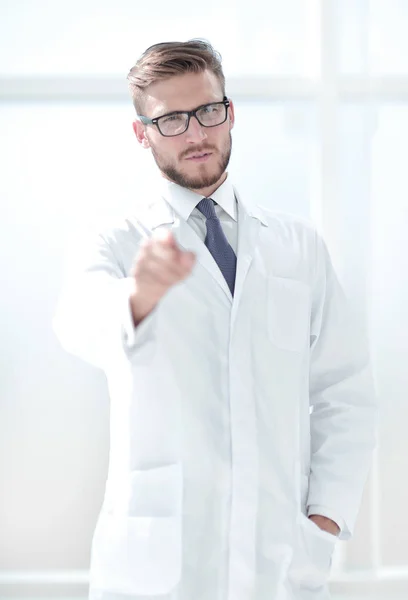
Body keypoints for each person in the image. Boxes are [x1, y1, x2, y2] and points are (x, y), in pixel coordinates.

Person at [53, 39, 378, 600]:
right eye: (171, 120)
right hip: (156, 567)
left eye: (208, 111)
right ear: (142, 134)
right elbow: (78, 322)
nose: (197, 134)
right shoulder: (118, 242)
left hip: (280, 561)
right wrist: (140, 294)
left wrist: (324, 518)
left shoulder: (297, 246)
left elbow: (344, 393)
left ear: (230, 112)